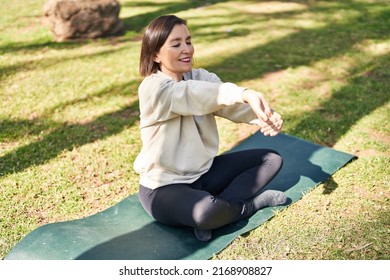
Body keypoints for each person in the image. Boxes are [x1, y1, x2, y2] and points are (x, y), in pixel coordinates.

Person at [133, 15, 287, 241]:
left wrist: (263, 116)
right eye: (176, 44)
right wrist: (244, 93)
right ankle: (249, 206)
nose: (186, 49)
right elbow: (193, 95)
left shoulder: (201, 77)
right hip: (163, 188)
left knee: (271, 159)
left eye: (188, 41)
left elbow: (226, 105)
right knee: (204, 211)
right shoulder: (153, 88)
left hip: (204, 174)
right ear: (155, 54)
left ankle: (221, 211)